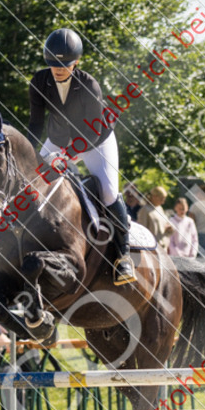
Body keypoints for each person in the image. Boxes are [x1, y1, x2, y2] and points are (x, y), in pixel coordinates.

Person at [28, 28, 135, 285]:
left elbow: (92, 129)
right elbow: (35, 125)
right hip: (59, 139)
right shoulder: (39, 82)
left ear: (76, 62)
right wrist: (31, 156)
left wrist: (67, 156)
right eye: (54, 64)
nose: (58, 69)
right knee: (31, 184)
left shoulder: (88, 84)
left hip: (95, 140)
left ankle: (124, 256)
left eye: (64, 64)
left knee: (108, 192)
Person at [137, 186, 174, 253]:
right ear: (154, 196)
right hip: (151, 249)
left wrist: (169, 229)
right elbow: (141, 230)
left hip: (162, 248)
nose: (163, 201)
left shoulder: (160, 209)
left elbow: (164, 226)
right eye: (161, 198)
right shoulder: (144, 210)